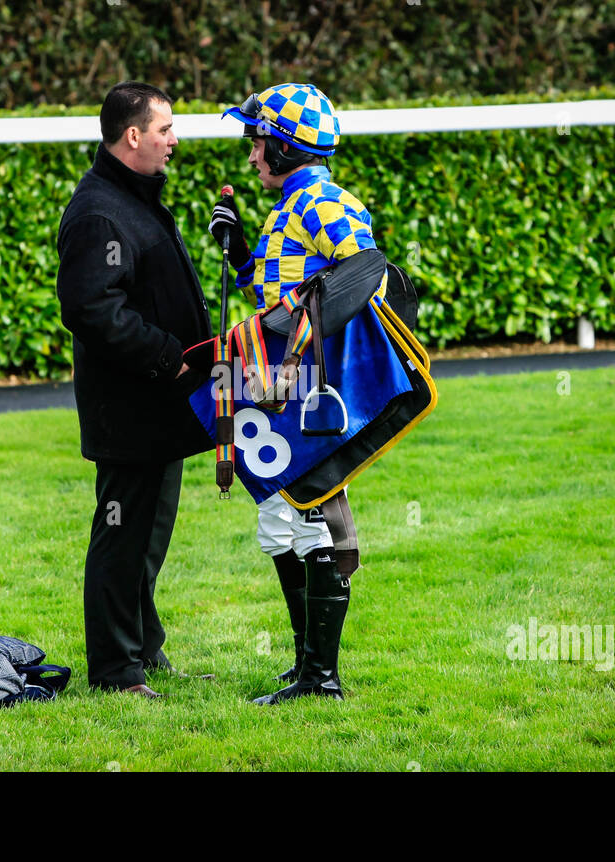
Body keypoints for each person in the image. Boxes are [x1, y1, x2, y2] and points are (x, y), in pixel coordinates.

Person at [210, 83, 379, 704]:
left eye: (258, 143)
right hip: (279, 381)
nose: (251, 156)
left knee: (310, 516)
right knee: (279, 517)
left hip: (309, 387)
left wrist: (299, 342)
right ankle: (309, 663)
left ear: (284, 148)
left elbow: (363, 279)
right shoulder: (291, 204)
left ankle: (321, 678)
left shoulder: (323, 202)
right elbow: (282, 292)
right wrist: (236, 256)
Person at [55, 82, 212, 698]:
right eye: (166, 129)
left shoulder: (134, 198)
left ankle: (144, 652)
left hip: (158, 407)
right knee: (122, 538)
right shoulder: (100, 210)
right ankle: (116, 673)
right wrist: (170, 357)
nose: (175, 139)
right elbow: (91, 309)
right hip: (129, 410)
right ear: (133, 136)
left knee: (148, 537)